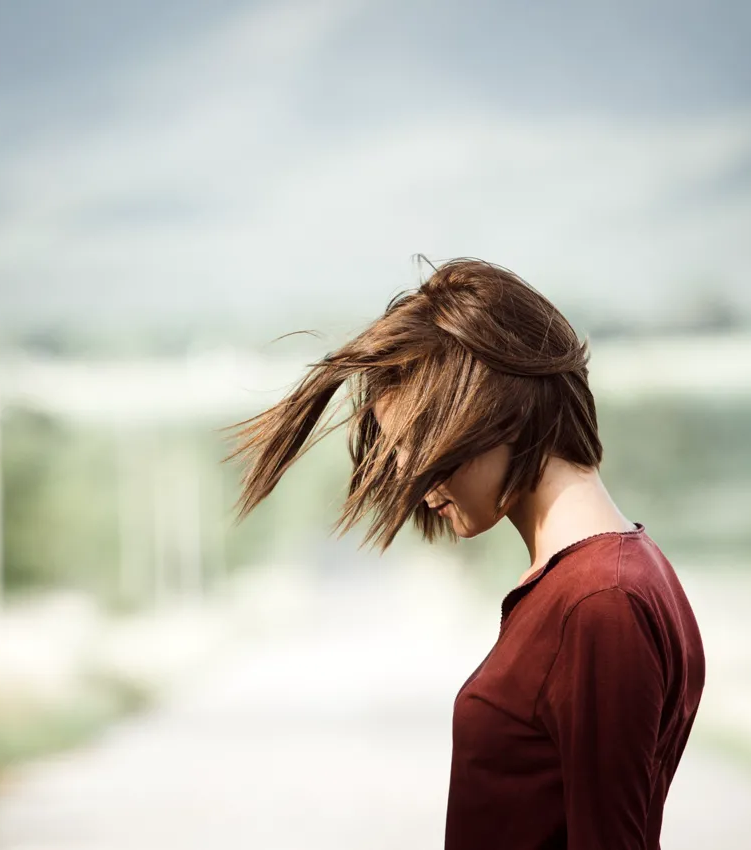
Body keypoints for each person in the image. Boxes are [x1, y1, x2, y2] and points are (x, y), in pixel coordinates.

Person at [223, 257, 705, 849]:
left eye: (421, 448)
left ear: (494, 411)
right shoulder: (609, 579)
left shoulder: (599, 602)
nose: (416, 484)